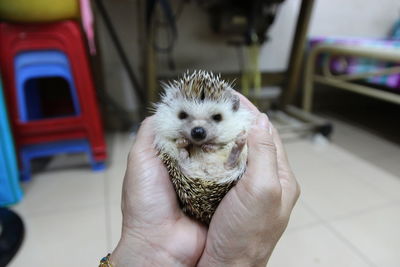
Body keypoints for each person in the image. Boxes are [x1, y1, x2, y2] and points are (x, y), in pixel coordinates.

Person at [107, 95, 300, 266]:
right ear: (169, 105)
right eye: (184, 116)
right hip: (197, 169)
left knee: (221, 159)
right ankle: (212, 160)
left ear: (233, 109)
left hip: (212, 168)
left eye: (215, 117)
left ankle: (219, 160)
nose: (198, 129)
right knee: (191, 158)